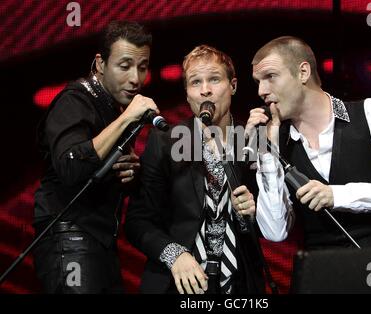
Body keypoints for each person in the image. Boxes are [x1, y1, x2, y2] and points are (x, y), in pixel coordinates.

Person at [125, 45, 290, 294]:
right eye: (195, 82)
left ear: (233, 85)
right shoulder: (165, 141)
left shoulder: (254, 137)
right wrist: (175, 255)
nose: (205, 90)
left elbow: (273, 226)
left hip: (240, 284)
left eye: (214, 79)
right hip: (178, 284)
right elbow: (138, 221)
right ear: (187, 93)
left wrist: (251, 213)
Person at [247, 36, 371, 250]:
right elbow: (275, 232)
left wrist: (337, 195)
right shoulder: (277, 140)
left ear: (303, 72)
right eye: (258, 82)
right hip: (323, 275)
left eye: (270, 77)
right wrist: (267, 153)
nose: (261, 91)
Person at [33, 21, 159, 293]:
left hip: (100, 243)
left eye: (142, 66)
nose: (136, 78)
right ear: (100, 64)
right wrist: (127, 118)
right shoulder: (75, 100)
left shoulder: (115, 108)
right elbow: (69, 165)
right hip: (69, 240)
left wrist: (129, 173)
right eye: (124, 66)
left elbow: (97, 175)